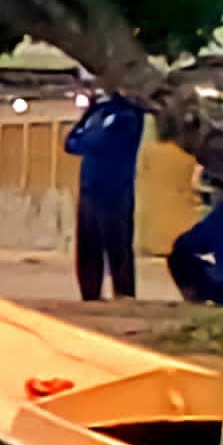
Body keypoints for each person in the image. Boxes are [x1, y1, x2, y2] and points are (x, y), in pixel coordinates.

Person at [66, 93, 143, 302]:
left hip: (115, 189)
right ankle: (90, 296)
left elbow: (98, 142)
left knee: (118, 246)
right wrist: (89, 131)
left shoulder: (128, 114)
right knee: (88, 247)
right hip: (89, 188)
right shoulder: (95, 112)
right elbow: (70, 143)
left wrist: (88, 137)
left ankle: (124, 295)